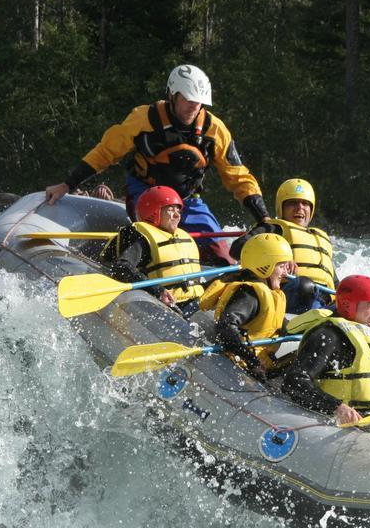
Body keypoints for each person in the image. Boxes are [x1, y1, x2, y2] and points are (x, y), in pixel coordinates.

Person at [44, 64, 268, 264]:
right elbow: (106, 151)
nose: (193, 107)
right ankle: (135, 267)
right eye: (187, 99)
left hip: (187, 199)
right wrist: (68, 184)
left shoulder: (215, 129)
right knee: (161, 241)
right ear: (172, 94)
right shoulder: (143, 119)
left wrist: (263, 217)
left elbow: (237, 175)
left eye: (198, 102)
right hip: (146, 193)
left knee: (222, 255)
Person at [281, 275, 370, 426]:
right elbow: (294, 381)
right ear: (349, 305)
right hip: (332, 422)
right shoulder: (328, 336)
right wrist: (336, 407)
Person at [230, 178, 336, 313]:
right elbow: (237, 248)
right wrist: (280, 258)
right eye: (293, 203)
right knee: (305, 285)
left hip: (324, 300)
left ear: (311, 208)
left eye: (305, 203)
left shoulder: (321, 238)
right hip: (293, 293)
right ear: (282, 208)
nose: (300, 207)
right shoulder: (274, 228)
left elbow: (334, 281)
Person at [199, 233, 294, 378]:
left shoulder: (270, 294)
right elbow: (225, 326)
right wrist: (252, 362)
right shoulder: (250, 295)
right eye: (281, 266)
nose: (286, 272)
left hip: (258, 365)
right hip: (237, 367)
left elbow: (277, 325)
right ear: (264, 265)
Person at [99, 185, 204, 315]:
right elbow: (121, 267)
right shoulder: (143, 239)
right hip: (166, 306)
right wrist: (158, 290)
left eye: (178, 210)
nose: (177, 215)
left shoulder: (182, 236)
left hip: (195, 303)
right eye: (170, 210)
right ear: (154, 213)